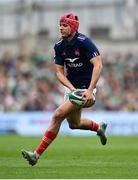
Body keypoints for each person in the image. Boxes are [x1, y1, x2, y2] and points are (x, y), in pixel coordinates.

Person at [21, 12, 107, 166]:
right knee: (74, 124)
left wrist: (89, 89)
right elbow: (59, 73)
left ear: (73, 27)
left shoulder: (84, 42)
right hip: (73, 89)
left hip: (87, 90)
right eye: (60, 25)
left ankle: (36, 155)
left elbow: (98, 64)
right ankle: (99, 128)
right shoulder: (59, 46)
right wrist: (71, 88)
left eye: (65, 25)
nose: (61, 28)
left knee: (57, 115)